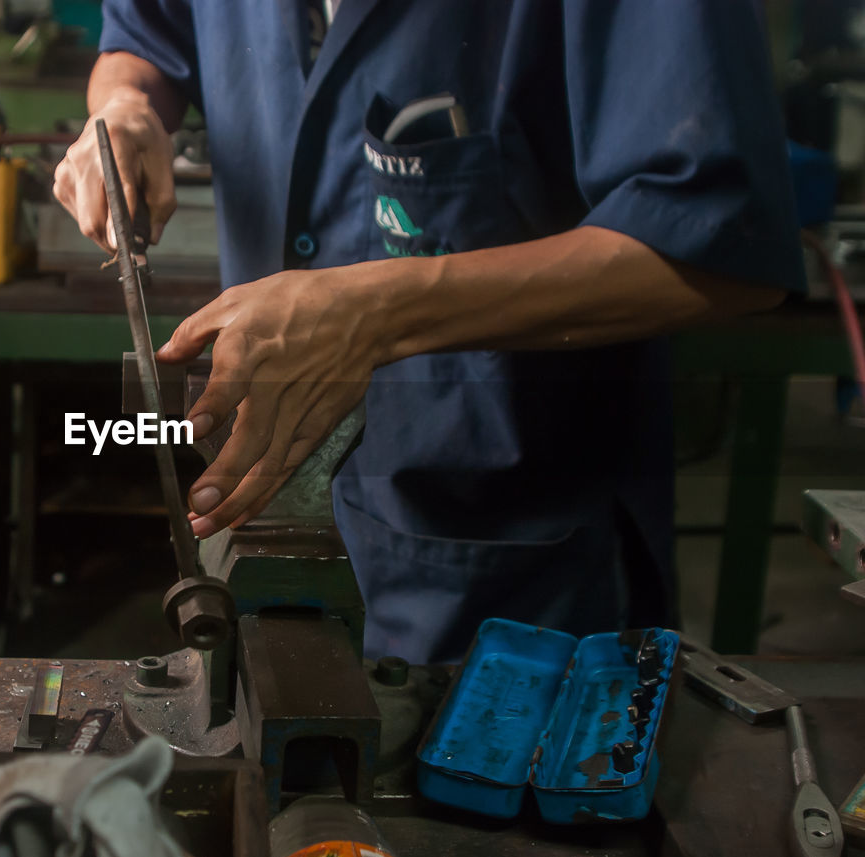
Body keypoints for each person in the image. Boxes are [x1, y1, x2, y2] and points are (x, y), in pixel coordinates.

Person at [52, 1, 805, 663]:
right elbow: (145, 37)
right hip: (269, 528)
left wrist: (373, 313)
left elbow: (717, 244)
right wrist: (124, 106)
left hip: (509, 570)